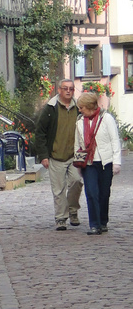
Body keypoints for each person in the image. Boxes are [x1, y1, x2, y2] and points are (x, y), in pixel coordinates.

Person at [35, 79, 83, 231]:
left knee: (77, 182)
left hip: (74, 156)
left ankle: (73, 210)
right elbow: (40, 132)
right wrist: (43, 155)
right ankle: (61, 218)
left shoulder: (78, 108)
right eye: (65, 88)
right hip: (55, 155)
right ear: (59, 90)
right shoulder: (50, 108)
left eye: (71, 88)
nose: (68, 91)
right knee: (59, 189)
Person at [74, 92, 121, 235]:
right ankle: (94, 224)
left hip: (105, 162)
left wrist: (116, 162)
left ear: (89, 107)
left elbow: (114, 140)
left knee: (104, 194)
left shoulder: (106, 119)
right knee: (91, 193)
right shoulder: (79, 122)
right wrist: (78, 162)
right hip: (89, 163)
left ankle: (103, 222)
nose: (80, 110)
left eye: (81, 107)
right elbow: (78, 143)